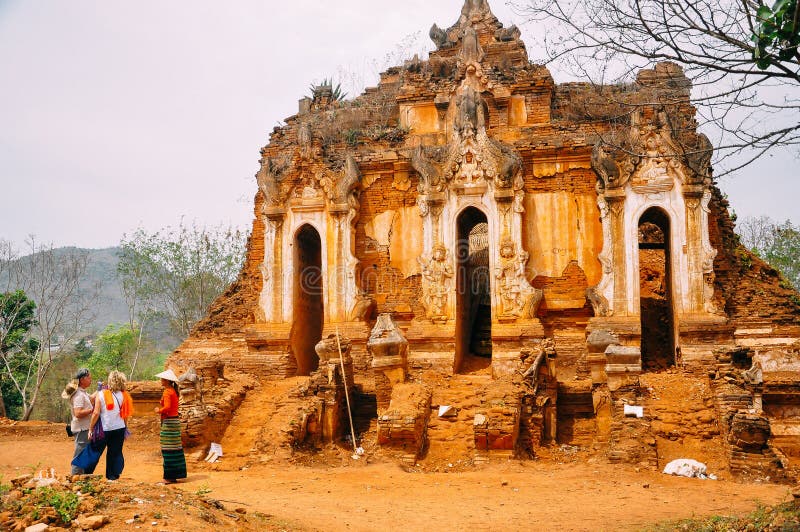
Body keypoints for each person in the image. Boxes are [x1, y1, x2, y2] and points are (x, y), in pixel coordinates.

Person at [89, 370, 132, 481]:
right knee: (115, 452)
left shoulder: (101, 394)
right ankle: (112, 476)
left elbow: (96, 413)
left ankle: (86, 473)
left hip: (105, 429)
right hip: (119, 428)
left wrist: (90, 428)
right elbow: (125, 414)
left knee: (95, 451)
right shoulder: (124, 395)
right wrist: (125, 427)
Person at [154, 368, 187, 484]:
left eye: (162, 379)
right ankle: (174, 475)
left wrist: (159, 410)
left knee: (167, 449)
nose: (161, 380)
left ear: (167, 380)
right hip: (174, 422)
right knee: (175, 448)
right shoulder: (173, 391)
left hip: (169, 423)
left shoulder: (167, 392)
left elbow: (167, 408)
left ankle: (168, 477)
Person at [63, 368, 94, 475]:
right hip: (82, 429)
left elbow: (92, 399)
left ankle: (80, 479)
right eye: (89, 378)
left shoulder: (82, 393)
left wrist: (100, 390)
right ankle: (74, 478)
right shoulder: (78, 395)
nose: (91, 380)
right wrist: (92, 410)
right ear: (82, 379)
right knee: (80, 454)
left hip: (84, 428)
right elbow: (78, 413)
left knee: (83, 454)